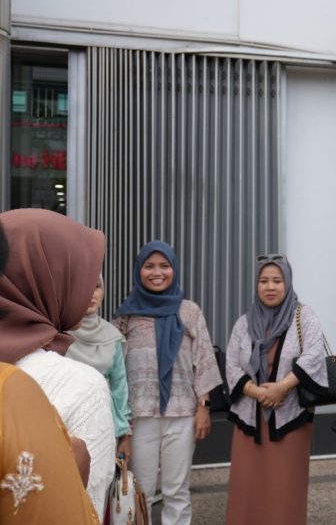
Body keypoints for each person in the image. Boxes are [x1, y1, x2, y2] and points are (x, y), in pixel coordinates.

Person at [0, 209, 109, 523]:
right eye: (77, 275)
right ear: (46, 280)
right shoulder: (81, 384)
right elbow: (87, 507)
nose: (88, 289)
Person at [114, 240, 222, 525]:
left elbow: (204, 362)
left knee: (177, 491)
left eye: (164, 266)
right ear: (139, 271)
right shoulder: (126, 315)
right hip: (139, 417)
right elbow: (115, 369)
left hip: (182, 413)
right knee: (141, 490)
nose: (157, 272)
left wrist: (204, 408)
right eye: (149, 266)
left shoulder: (189, 311)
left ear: (174, 269)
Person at [225, 254, 329, 525]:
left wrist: (282, 388)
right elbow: (232, 364)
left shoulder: (304, 316)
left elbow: (314, 356)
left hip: (290, 418)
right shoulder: (244, 322)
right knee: (247, 488)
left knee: (285, 489)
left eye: (277, 281)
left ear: (288, 282)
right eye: (263, 281)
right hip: (250, 419)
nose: (270, 287)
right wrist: (257, 392)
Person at [67, 275, 133, 461]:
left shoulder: (112, 337)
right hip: (67, 424)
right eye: (83, 287)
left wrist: (124, 434)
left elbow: (119, 389)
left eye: (96, 287)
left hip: (104, 425)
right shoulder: (57, 335)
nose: (91, 294)